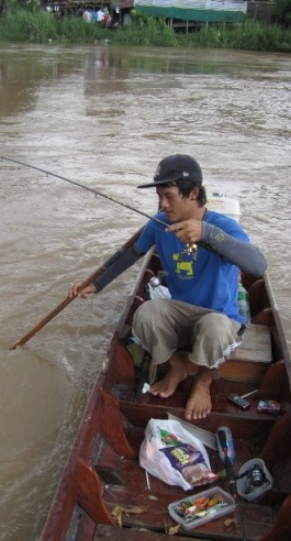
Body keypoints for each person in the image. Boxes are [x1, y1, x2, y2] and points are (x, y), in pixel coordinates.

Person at [69, 155, 267, 420]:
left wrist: (206, 233)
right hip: (180, 311)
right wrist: (94, 284)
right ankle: (176, 368)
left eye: (169, 196)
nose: (162, 205)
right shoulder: (159, 223)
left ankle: (203, 381)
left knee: (215, 328)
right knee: (145, 313)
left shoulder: (223, 227)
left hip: (219, 317)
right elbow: (130, 254)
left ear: (193, 193)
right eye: (159, 196)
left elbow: (258, 266)